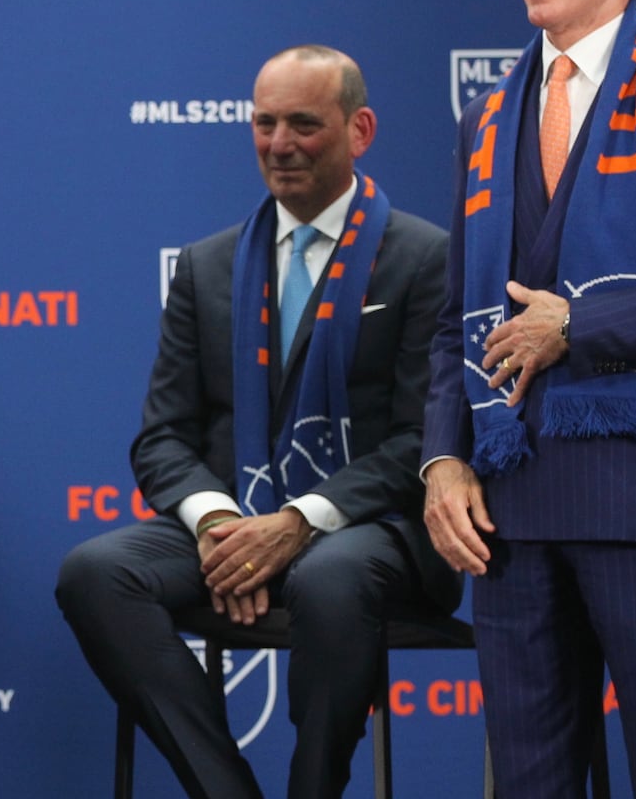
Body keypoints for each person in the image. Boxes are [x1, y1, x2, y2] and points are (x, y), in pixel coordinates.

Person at [56, 46, 458, 798]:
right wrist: (219, 528)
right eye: (265, 124)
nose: (280, 145)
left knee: (332, 575)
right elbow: (163, 438)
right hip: (235, 521)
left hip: (378, 529)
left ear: (359, 129)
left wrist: (299, 523)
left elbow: (423, 441)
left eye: (304, 124)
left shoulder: (426, 257)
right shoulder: (207, 266)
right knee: (96, 573)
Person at [421, 0, 636, 795]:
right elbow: (449, 325)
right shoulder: (486, 119)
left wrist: (582, 326)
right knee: (529, 785)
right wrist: (443, 460)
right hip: (509, 517)